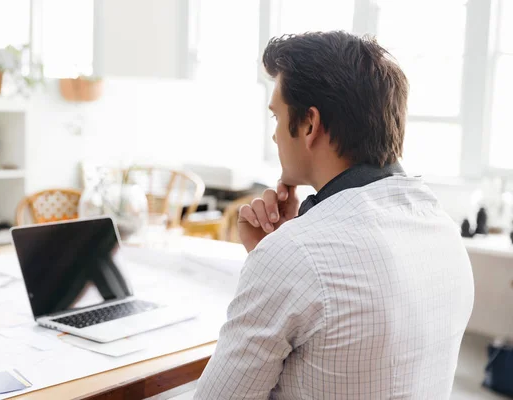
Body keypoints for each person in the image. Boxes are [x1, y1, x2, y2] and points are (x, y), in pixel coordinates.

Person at [194, 31, 474, 399]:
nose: (275, 137)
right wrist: (277, 249)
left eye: (276, 116)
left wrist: (278, 256)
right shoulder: (443, 231)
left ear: (309, 124)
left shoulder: (294, 256)